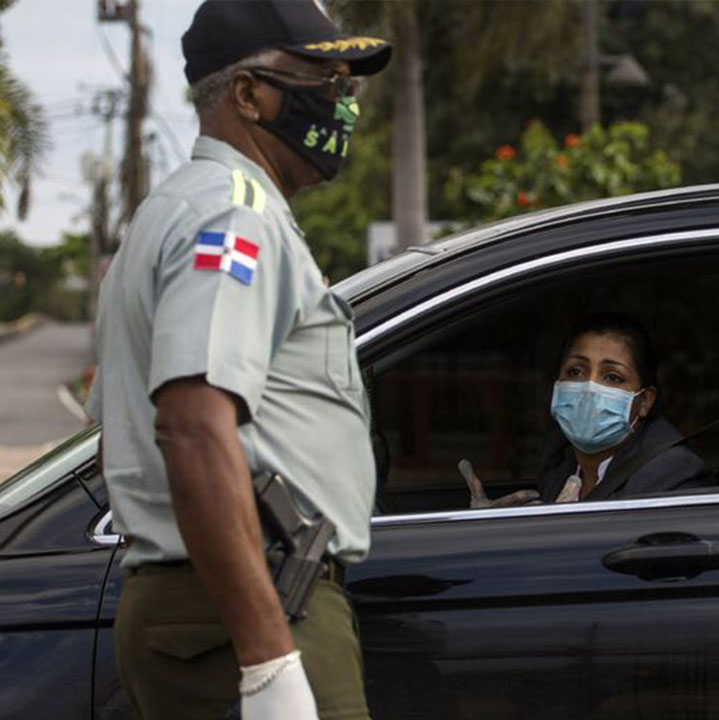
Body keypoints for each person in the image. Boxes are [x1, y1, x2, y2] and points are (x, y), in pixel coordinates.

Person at [84, 2, 391, 719]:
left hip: (208, 602)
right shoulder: (232, 216)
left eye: (348, 85)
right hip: (250, 608)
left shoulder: (172, 210)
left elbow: (116, 438)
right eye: (326, 81)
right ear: (249, 94)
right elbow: (190, 427)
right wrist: (268, 663)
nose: (344, 105)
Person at [466, 313, 707, 506]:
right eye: (576, 371)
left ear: (644, 401)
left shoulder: (669, 473)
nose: (590, 388)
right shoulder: (560, 459)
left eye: (612, 377)